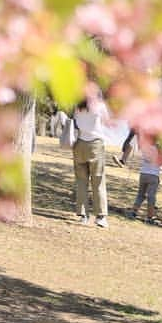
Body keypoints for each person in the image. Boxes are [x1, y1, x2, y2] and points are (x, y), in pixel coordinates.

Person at [72, 96, 119, 228]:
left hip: (79, 143)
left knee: (81, 181)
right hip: (95, 144)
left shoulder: (78, 106)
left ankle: (83, 215)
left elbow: (75, 123)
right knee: (98, 180)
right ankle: (100, 216)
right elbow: (107, 123)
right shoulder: (100, 106)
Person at [127, 131, 162, 223]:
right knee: (151, 197)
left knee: (140, 195)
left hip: (143, 173)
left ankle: (133, 212)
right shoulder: (159, 147)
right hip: (153, 175)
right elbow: (161, 162)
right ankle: (149, 217)